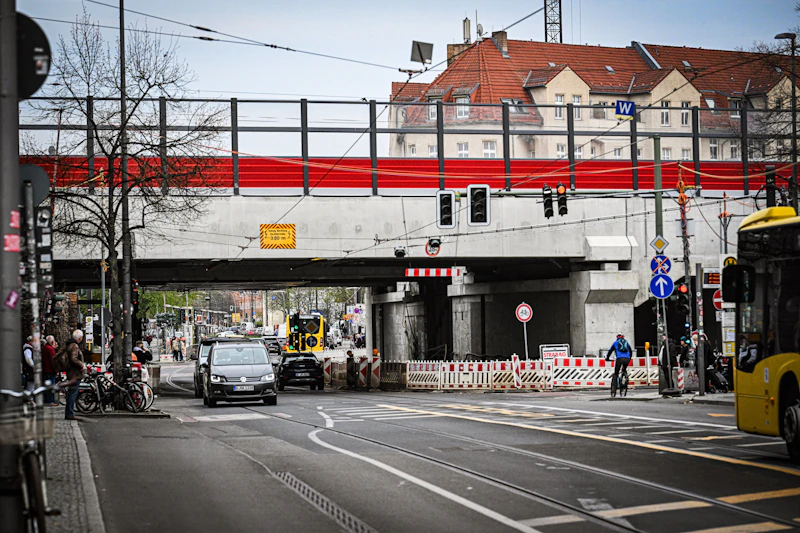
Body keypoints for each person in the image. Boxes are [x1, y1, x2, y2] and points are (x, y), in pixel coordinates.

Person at [64, 330, 86, 420]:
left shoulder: (70, 345)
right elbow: (74, 359)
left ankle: (69, 412)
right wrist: (82, 365)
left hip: (71, 373)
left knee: (71, 393)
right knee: (73, 393)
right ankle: (70, 413)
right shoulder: (74, 346)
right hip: (74, 374)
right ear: (79, 338)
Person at [42, 335, 58, 406]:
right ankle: (51, 401)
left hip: (44, 370)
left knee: (46, 387)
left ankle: (46, 400)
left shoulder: (44, 348)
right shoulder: (50, 349)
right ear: (52, 341)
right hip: (50, 371)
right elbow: (53, 361)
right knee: (51, 386)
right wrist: (56, 370)